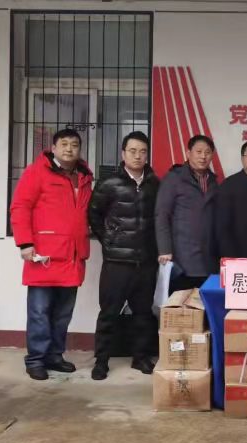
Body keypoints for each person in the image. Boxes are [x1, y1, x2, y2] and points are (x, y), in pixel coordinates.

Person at [10, 128, 93, 380]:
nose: (69, 149)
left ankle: (54, 356)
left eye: (74, 144)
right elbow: (20, 206)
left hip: (72, 256)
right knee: (39, 312)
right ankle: (35, 359)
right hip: (44, 256)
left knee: (62, 314)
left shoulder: (84, 176)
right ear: (53, 148)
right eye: (64, 144)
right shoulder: (37, 172)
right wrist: (25, 243)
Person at [88, 131, 159, 380]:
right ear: (123, 153)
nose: (138, 156)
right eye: (133, 151)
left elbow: (160, 220)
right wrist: (109, 240)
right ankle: (101, 361)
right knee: (109, 313)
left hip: (146, 261)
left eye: (142, 151)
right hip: (117, 262)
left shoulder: (155, 184)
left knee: (143, 313)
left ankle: (140, 358)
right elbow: (93, 215)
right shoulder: (109, 183)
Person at [155, 135, 220, 294]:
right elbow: (161, 215)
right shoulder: (174, 178)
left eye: (207, 152)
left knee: (204, 305)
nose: (203, 156)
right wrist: (164, 249)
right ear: (188, 153)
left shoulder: (213, 181)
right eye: (199, 152)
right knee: (181, 305)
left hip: (208, 259)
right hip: (181, 258)